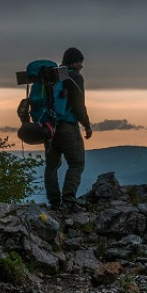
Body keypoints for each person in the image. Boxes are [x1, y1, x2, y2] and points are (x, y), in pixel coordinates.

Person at [44, 46, 93, 207]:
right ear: (74, 63)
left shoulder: (53, 76)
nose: (81, 66)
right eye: (80, 62)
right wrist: (86, 125)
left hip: (49, 127)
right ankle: (68, 199)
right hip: (67, 127)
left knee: (51, 165)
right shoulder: (75, 78)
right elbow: (79, 105)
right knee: (77, 163)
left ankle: (53, 201)